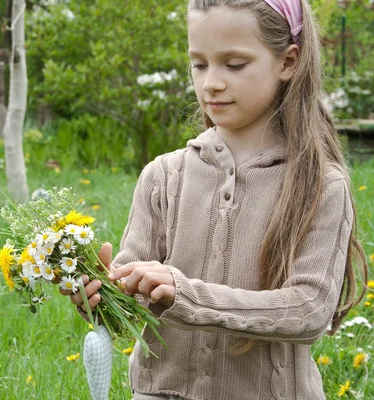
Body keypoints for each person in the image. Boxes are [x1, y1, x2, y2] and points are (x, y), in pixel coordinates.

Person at [59, 0, 369, 399]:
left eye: (234, 64)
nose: (211, 83)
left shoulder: (320, 184)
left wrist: (186, 296)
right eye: (199, 64)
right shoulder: (163, 177)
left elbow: (308, 310)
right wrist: (98, 293)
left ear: (288, 62)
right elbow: (134, 303)